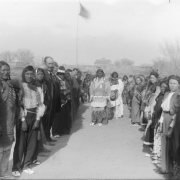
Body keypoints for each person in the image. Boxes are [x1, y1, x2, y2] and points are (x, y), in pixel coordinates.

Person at [12, 66, 45, 175]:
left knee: (32, 143)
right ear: (23, 74)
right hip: (23, 117)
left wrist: (37, 119)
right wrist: (23, 120)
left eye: (31, 74)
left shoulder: (37, 87)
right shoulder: (19, 87)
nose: (29, 76)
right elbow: (18, 105)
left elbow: (41, 105)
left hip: (34, 116)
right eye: (27, 74)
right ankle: (16, 168)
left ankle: (26, 165)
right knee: (20, 143)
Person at [155, 75, 180, 175]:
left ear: (179, 84)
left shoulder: (178, 95)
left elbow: (177, 113)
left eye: (174, 83)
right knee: (165, 143)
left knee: (173, 145)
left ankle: (174, 171)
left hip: (173, 121)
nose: (172, 85)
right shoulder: (167, 94)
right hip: (165, 118)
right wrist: (161, 123)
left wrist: (171, 127)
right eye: (170, 83)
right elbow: (163, 110)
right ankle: (165, 168)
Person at [0, 61, 17, 179]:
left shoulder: (10, 85)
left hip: (9, 122)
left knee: (7, 148)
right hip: (1, 122)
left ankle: (3, 172)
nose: (6, 72)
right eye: (3, 70)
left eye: (7, 70)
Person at [52, 66, 71, 137]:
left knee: (63, 116)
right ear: (59, 74)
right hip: (58, 100)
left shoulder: (62, 81)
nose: (63, 76)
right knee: (57, 117)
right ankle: (55, 132)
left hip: (63, 100)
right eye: (61, 74)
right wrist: (68, 91)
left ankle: (62, 130)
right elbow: (63, 92)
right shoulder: (57, 80)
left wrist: (67, 92)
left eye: (63, 74)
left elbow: (64, 91)